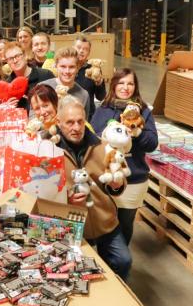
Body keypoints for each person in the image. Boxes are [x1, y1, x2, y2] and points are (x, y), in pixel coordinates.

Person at [54, 96, 132, 280]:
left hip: (105, 221)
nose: (76, 128)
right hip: (72, 225)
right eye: (70, 122)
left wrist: (117, 185)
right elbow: (44, 193)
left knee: (123, 261)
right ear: (58, 122)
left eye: (80, 122)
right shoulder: (50, 151)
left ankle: (117, 295)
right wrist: (67, 199)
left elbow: (119, 179)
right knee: (77, 272)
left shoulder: (103, 146)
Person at [91, 69, 158, 246]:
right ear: (113, 85)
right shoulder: (103, 109)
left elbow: (152, 144)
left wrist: (137, 132)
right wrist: (107, 134)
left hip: (134, 178)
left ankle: (118, 267)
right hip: (106, 176)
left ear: (135, 87)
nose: (125, 87)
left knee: (124, 227)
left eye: (130, 83)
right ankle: (104, 264)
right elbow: (92, 138)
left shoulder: (143, 111)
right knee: (103, 225)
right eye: (121, 83)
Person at [42, 47, 91, 117]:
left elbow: (83, 124)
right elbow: (33, 121)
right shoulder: (43, 88)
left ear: (78, 68)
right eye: (63, 66)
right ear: (56, 66)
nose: (67, 71)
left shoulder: (84, 95)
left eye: (71, 67)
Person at [4, 42, 53, 110]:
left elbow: (56, 101)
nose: (15, 61)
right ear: (7, 62)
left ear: (24, 55)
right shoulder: (8, 85)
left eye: (17, 56)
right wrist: (7, 107)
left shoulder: (45, 75)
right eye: (10, 59)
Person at [75, 36, 106, 119]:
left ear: (89, 52)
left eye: (85, 49)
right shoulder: (66, 68)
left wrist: (99, 83)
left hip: (88, 115)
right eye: (78, 47)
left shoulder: (93, 70)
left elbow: (101, 97)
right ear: (73, 48)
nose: (81, 51)